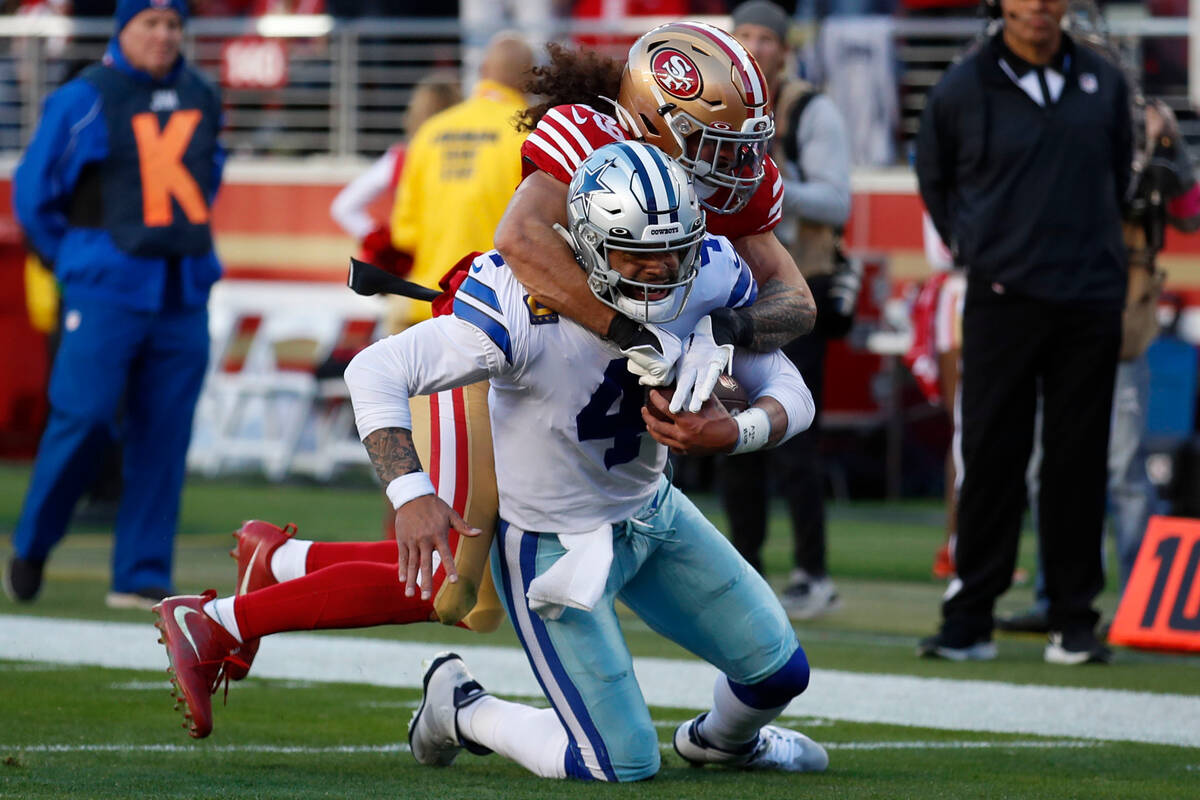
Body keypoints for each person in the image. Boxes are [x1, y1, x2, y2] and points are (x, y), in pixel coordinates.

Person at [153, 144, 828, 783]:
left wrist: (732, 432)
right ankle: (461, 707)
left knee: (778, 674)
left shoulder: (706, 272)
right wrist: (410, 491)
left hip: (653, 511)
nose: (660, 273)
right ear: (589, 246)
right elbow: (376, 370)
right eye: (634, 255)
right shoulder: (522, 302)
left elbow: (790, 389)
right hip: (551, 545)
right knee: (618, 762)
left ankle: (723, 743)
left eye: (672, 254)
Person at [915, 0, 1132, 664]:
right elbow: (934, 177)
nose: (1038, 5)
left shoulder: (1104, 81)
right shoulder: (963, 84)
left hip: (1089, 300)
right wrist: (981, 249)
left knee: (1078, 463)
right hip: (1002, 300)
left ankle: (1073, 619)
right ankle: (971, 619)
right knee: (991, 456)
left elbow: (1119, 176)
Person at [4, 0, 224, 610]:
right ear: (122, 30)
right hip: (105, 288)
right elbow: (34, 194)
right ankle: (34, 543)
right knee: (85, 419)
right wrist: (75, 264)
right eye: (150, 23)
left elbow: (208, 177)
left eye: (174, 24)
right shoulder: (84, 97)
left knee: (165, 433)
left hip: (182, 291)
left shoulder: (201, 94)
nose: (163, 35)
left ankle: (141, 570)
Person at [722, 0, 855, 619]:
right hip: (728, 289)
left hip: (795, 288)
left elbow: (836, 200)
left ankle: (812, 571)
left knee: (796, 436)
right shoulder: (717, 94)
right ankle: (743, 569)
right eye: (742, 34)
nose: (753, 45)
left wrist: (766, 185)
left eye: (764, 37)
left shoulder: (808, 107)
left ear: (784, 47)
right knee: (729, 432)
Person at [329, 74, 460, 287]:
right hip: (457, 269)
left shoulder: (402, 157)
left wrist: (383, 244)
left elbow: (344, 207)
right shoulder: (469, 158)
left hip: (414, 276)